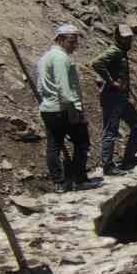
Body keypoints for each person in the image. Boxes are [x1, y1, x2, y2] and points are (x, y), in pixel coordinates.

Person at [37, 23, 100, 192]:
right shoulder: (61, 58)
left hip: (48, 108)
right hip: (64, 108)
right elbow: (64, 87)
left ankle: (59, 183)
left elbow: (40, 86)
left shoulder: (45, 57)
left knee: (54, 145)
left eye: (75, 41)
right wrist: (72, 109)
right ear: (60, 39)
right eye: (71, 41)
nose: (75, 45)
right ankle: (79, 180)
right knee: (82, 142)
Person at [90, 23, 137, 176]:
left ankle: (128, 158)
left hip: (121, 98)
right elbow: (96, 63)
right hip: (112, 98)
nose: (128, 42)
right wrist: (111, 81)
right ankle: (108, 166)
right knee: (111, 131)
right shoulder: (114, 51)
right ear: (117, 37)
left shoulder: (121, 52)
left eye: (129, 39)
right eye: (125, 39)